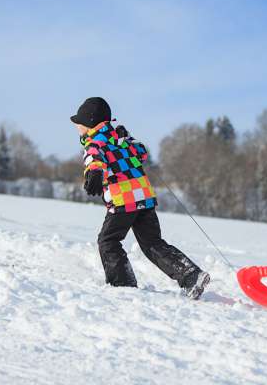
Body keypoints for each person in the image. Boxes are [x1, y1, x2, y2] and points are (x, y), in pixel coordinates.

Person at [70, 97, 210, 299]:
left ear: (92, 125)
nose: (77, 128)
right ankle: (190, 275)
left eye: (79, 124)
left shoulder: (94, 142)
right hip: (144, 198)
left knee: (108, 241)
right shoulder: (120, 139)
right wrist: (128, 138)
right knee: (153, 243)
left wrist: (94, 173)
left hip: (123, 201)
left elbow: (94, 158)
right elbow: (142, 153)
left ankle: (123, 285)